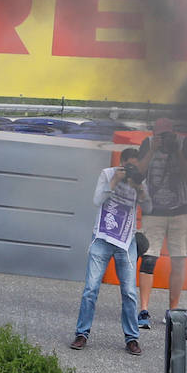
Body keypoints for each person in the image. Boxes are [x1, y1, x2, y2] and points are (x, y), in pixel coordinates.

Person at [70, 147, 149, 355]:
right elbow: (97, 201)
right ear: (121, 163)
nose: (132, 169)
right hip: (102, 238)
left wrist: (139, 187)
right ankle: (81, 334)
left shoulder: (139, 179)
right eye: (129, 165)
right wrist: (114, 181)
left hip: (126, 241)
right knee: (90, 289)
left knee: (129, 292)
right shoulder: (107, 174)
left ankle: (132, 338)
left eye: (135, 165)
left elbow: (148, 207)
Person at [135, 118, 187, 329]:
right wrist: (152, 150)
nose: (163, 139)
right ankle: (143, 310)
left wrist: (175, 150)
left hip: (180, 210)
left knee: (179, 260)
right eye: (160, 135)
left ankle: (172, 310)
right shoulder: (147, 144)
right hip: (154, 211)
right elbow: (138, 172)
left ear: (173, 133)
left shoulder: (183, 144)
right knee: (149, 259)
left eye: (166, 135)